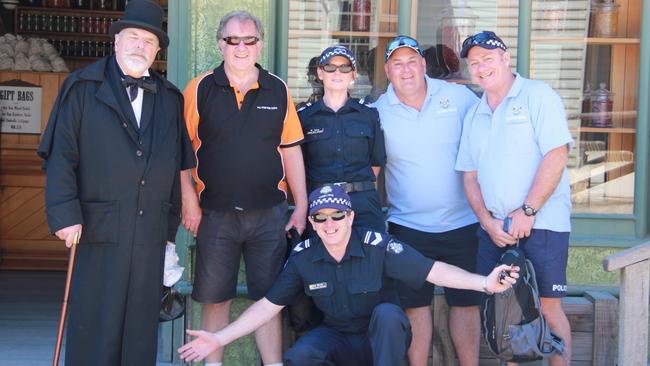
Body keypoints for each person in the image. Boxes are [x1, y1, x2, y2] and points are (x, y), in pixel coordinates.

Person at [178, 185, 519, 366]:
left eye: (337, 216)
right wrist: (220, 338)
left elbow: (434, 271)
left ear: (351, 217)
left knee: (388, 315)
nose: (329, 224)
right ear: (311, 222)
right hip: (338, 338)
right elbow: (267, 307)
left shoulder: (377, 244)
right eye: (321, 218)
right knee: (299, 357)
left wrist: (485, 283)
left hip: (379, 340)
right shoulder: (304, 257)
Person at [36, 0, 195, 364]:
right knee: (95, 322)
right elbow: (62, 156)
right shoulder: (80, 88)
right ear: (116, 41)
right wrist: (64, 214)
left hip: (149, 230)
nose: (140, 46)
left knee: (139, 328)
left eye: (149, 42)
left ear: (157, 51)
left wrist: (169, 231)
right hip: (95, 228)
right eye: (134, 37)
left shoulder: (170, 99)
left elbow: (173, 167)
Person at [180, 10, 308, 366]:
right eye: (232, 40)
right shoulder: (200, 87)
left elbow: (292, 149)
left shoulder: (277, 88)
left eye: (249, 40)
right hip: (216, 215)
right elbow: (182, 150)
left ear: (260, 44)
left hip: (269, 215)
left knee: (268, 299)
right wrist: (188, 198)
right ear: (220, 44)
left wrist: (301, 206)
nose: (241, 47)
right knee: (215, 298)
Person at [455, 30, 574, 366]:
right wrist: (487, 222)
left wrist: (528, 210)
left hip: (543, 224)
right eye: (474, 63)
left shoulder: (538, 95)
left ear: (506, 59)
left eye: (487, 59)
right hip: (495, 231)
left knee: (548, 309)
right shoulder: (475, 114)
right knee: (503, 310)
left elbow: (556, 154)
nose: (480, 68)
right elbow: (469, 175)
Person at [372, 35, 482, 366]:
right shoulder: (376, 113)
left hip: (463, 223)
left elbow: (486, 144)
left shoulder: (459, 97)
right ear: (388, 72)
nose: (405, 70)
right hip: (407, 226)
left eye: (411, 61)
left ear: (423, 65)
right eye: (397, 64)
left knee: (465, 304)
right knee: (414, 307)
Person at [298, 45, 386, 233]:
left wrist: (355, 187)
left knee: (370, 257)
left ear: (353, 75)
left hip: (363, 203)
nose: (337, 72)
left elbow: (376, 162)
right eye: (330, 67)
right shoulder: (305, 118)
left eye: (345, 67)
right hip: (321, 202)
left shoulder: (369, 115)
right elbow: (299, 166)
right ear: (320, 73)